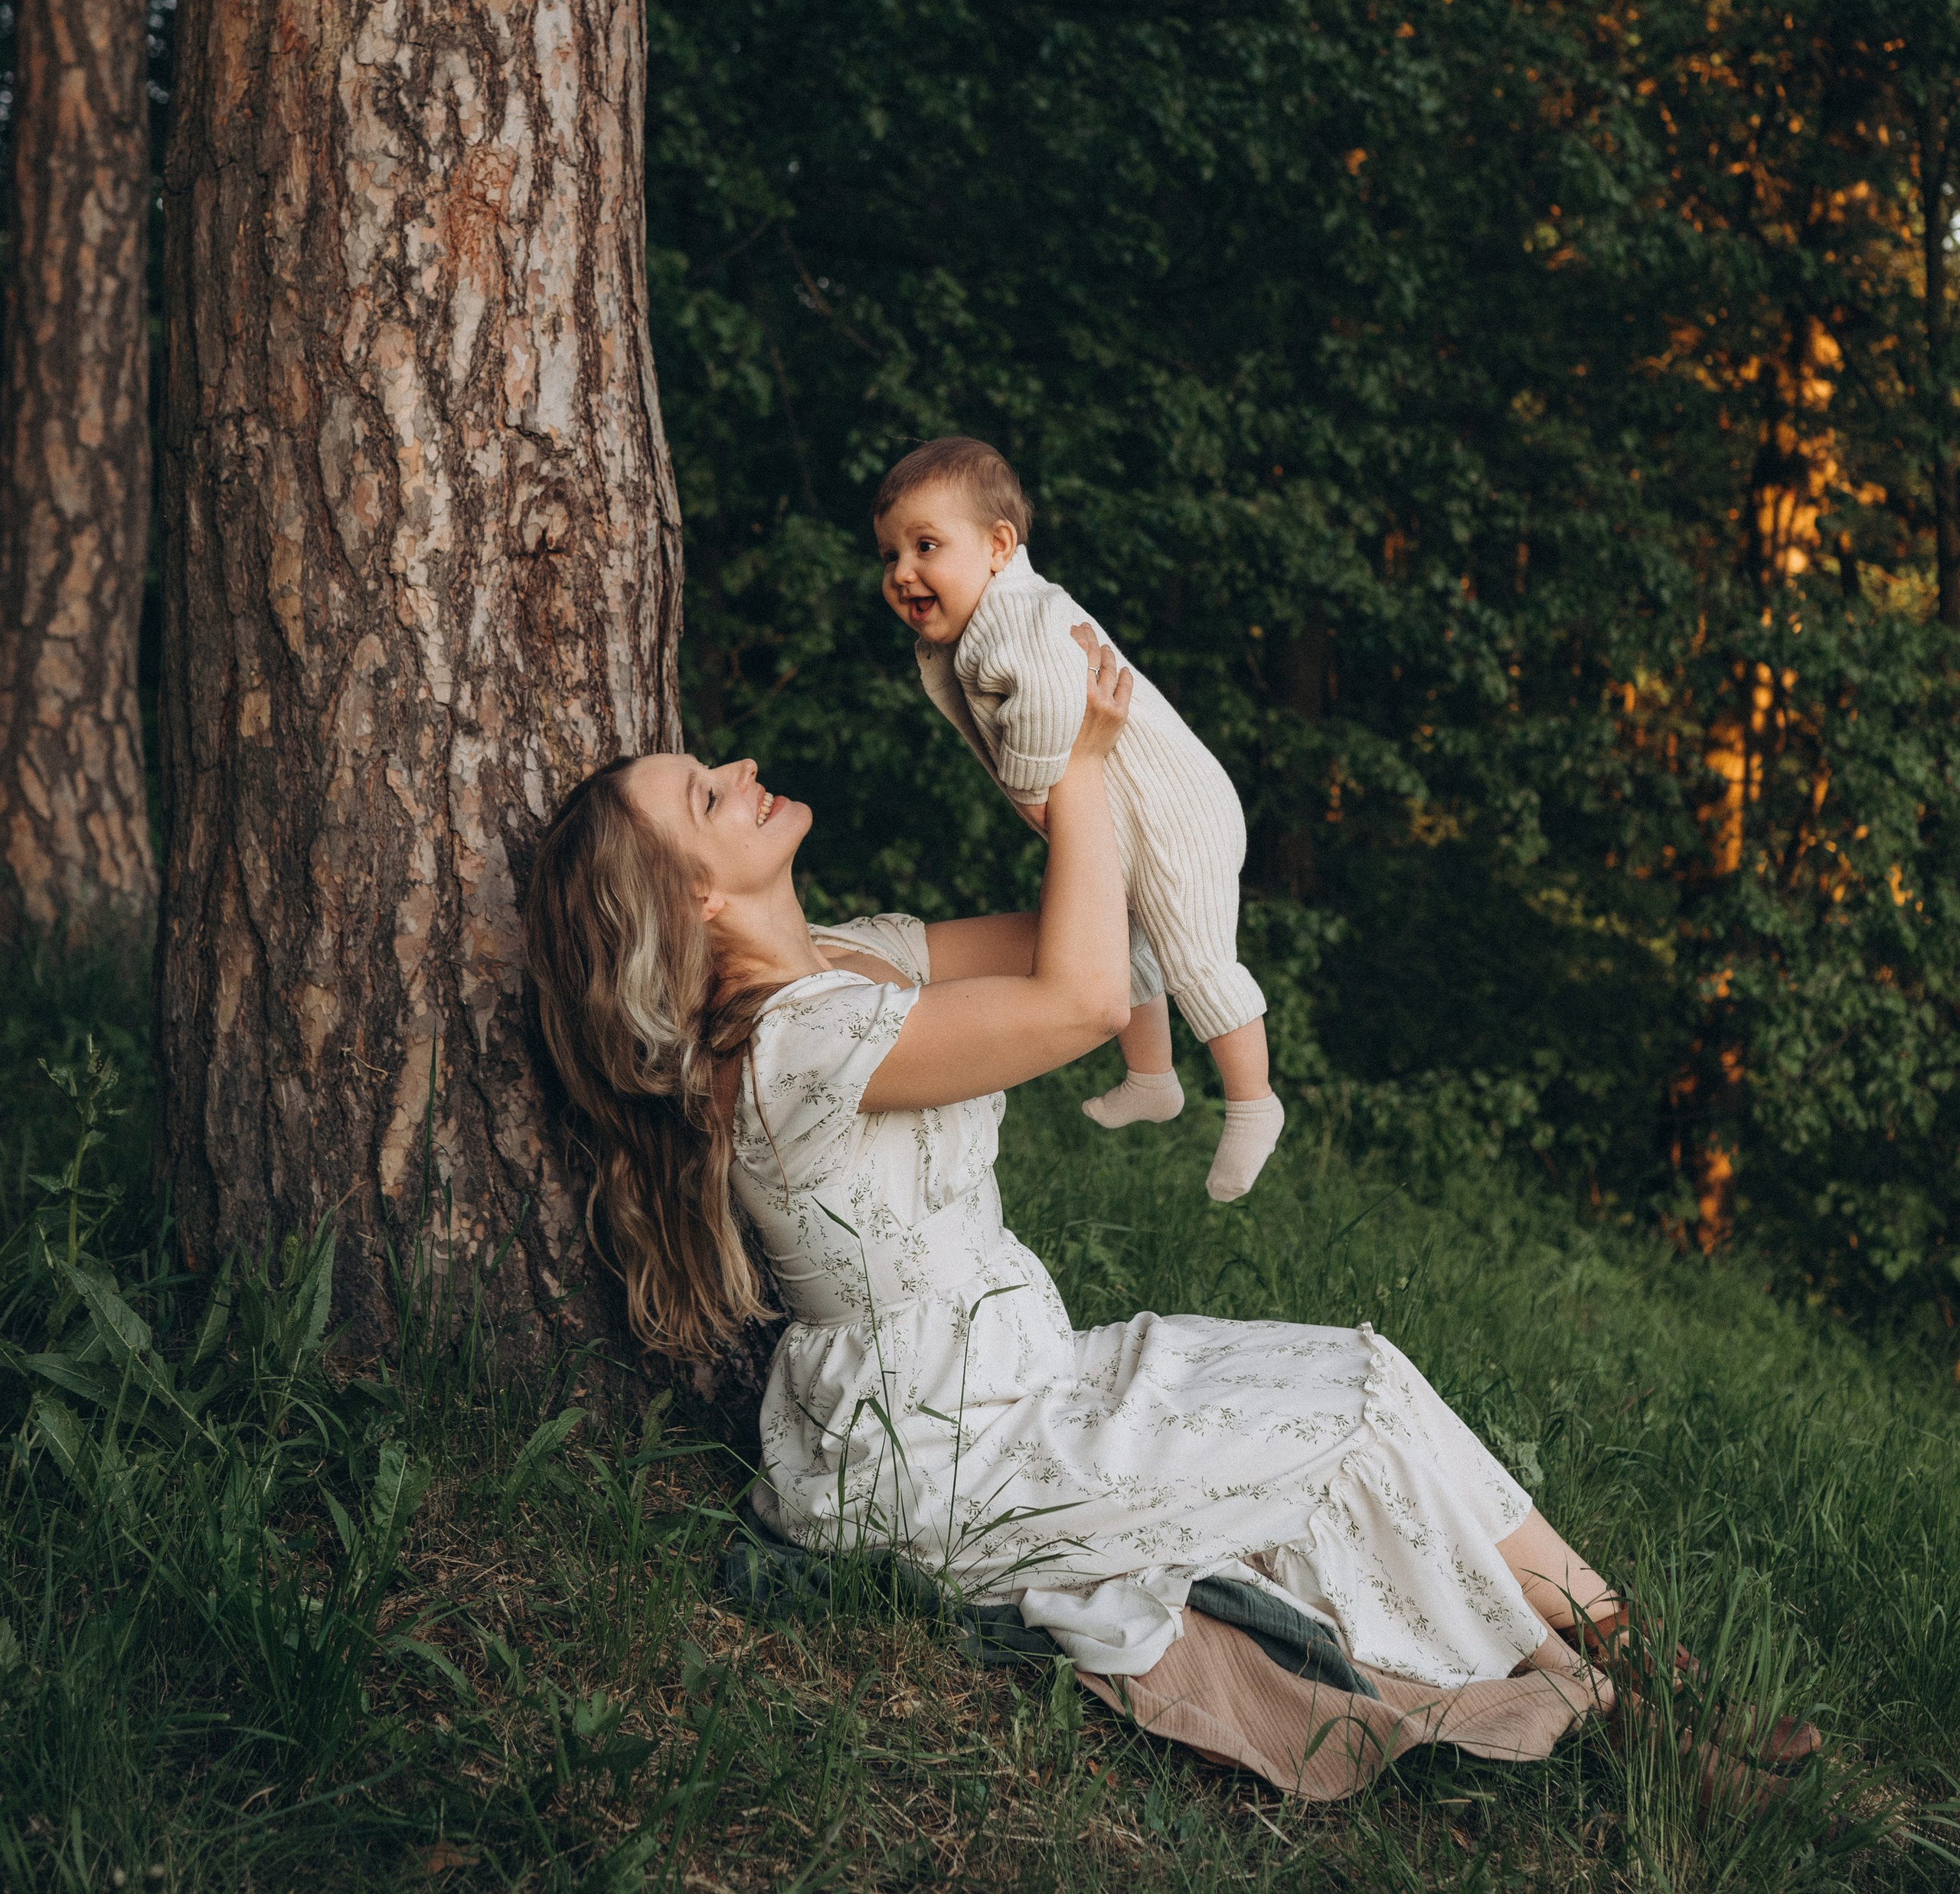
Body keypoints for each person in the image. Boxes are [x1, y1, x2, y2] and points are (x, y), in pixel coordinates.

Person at [523, 625, 1628, 1698]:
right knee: (1344, 1427)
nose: (743, 766)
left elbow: (1123, 936)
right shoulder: (785, 1049)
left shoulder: (857, 958)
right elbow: (1087, 1000)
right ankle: (1609, 1687)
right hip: (942, 1448)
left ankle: (1614, 1649)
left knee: (1366, 1374)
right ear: (695, 899)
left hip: (1019, 1373)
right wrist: (1085, 770)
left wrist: (1049, 759)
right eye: (707, 795)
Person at [872, 434, 1282, 1200]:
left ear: (998, 546)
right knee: (1122, 943)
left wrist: (1030, 785)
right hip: (1126, 820)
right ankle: (1153, 1078)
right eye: (889, 555)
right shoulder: (984, 621)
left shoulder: (1016, 615)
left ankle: (1254, 1103)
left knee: (1197, 958)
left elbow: (1057, 697)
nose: (902, 572)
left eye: (926, 545)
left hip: (1174, 817)